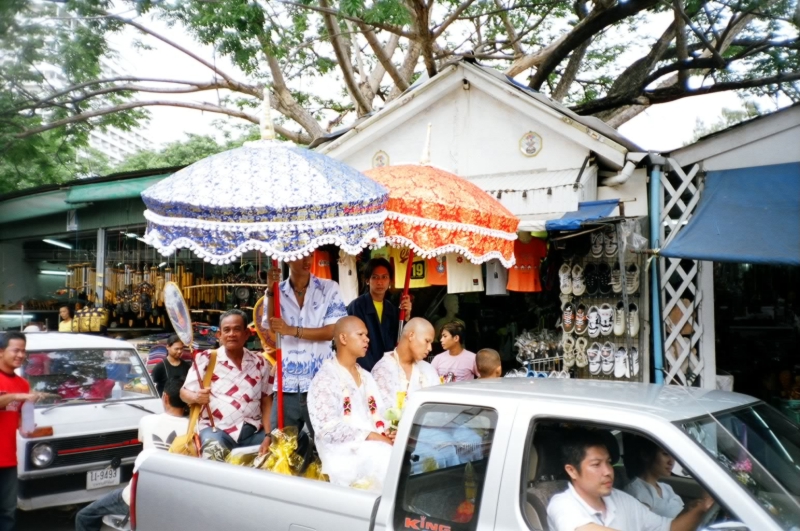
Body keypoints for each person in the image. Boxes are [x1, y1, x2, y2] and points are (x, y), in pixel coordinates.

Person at [74, 378, 189, 531]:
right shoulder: (193, 429)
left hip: (136, 496)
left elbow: (145, 444)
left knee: (84, 516)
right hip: (173, 498)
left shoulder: (147, 421)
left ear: (165, 397)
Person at [547, 429, 713, 531]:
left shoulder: (621, 499)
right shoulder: (562, 504)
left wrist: (703, 508)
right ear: (572, 471)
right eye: (596, 464)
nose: (608, 471)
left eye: (609, 463)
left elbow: (667, 528)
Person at [264, 256, 347, 442]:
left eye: (310, 253)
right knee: (281, 448)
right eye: (300, 254)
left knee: (326, 447)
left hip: (320, 383)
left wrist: (291, 330)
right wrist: (270, 291)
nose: (307, 259)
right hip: (286, 385)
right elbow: (271, 333)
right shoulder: (276, 292)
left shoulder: (329, 288)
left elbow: (334, 331)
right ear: (287, 259)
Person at [307, 316, 393, 491]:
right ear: (343, 338)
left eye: (367, 335)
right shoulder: (326, 378)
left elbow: (380, 413)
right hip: (343, 452)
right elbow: (326, 428)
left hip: (374, 446)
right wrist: (371, 436)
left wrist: (388, 432)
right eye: (360, 334)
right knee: (387, 456)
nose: (367, 339)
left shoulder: (366, 376)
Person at [182, 309, 273, 460]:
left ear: (246, 334)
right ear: (219, 335)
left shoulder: (261, 363)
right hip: (217, 431)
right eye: (227, 330)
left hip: (253, 431)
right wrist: (196, 396)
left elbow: (266, 401)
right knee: (213, 451)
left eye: (237, 329)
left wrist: (269, 435)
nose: (231, 334)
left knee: (289, 443)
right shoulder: (206, 359)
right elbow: (183, 393)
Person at [0, 332, 42, 531]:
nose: (20, 355)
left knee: (8, 511)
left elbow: (15, 414)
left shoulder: (22, 383)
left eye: (23, 351)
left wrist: (25, 428)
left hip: (8, 459)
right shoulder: (20, 389)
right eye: (15, 350)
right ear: (1, 352)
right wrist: (17, 395)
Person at [346, 258, 412, 371]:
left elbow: (400, 341)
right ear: (367, 280)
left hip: (388, 370)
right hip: (364, 370)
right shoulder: (357, 306)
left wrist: (406, 316)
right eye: (375, 277)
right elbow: (354, 343)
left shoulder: (392, 310)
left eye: (384, 277)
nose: (380, 282)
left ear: (390, 280)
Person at [371, 318, 440, 415]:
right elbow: (382, 414)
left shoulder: (428, 369)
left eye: (431, 343)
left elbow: (438, 408)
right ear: (411, 335)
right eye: (427, 341)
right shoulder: (383, 369)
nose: (430, 348)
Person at [623, 436, 685, 518]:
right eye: (665, 454)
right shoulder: (636, 492)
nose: (671, 462)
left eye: (673, 456)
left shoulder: (666, 488)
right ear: (645, 455)